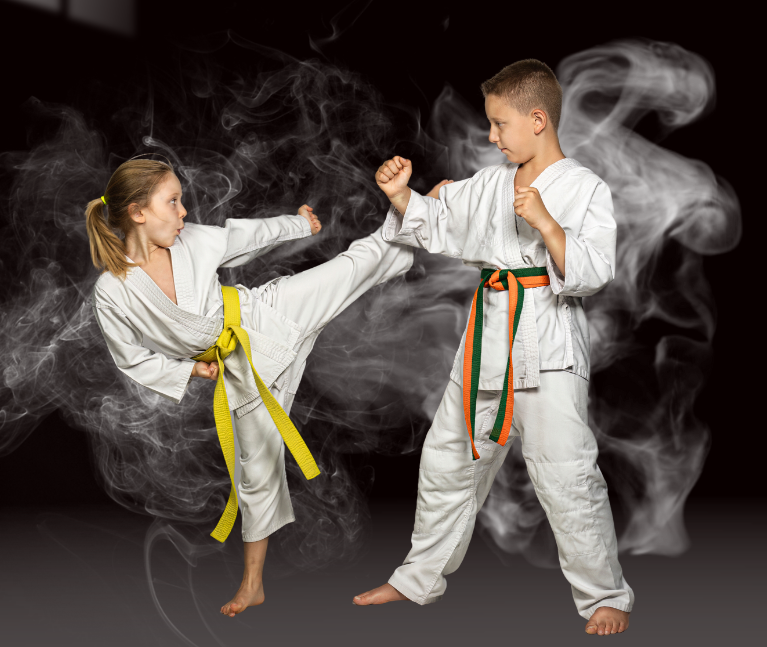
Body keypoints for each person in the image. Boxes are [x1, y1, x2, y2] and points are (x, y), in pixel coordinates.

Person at [352, 59, 633, 637]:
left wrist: (549, 226)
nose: (490, 136)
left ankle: (604, 595)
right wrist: (403, 195)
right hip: (486, 335)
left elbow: (595, 270)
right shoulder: (488, 183)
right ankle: (417, 578)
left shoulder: (584, 188)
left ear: (537, 120)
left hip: (549, 339)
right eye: (488, 124)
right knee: (447, 458)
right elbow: (436, 225)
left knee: (566, 473)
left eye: (500, 124)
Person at [86, 158, 413, 617]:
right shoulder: (113, 291)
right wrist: (189, 372)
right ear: (138, 212)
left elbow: (246, 236)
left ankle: (411, 218)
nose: (184, 212)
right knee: (255, 472)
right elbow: (131, 357)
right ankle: (253, 583)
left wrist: (297, 223)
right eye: (173, 202)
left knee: (347, 270)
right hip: (238, 370)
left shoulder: (193, 240)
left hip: (264, 314)